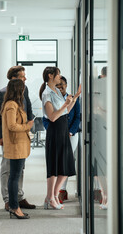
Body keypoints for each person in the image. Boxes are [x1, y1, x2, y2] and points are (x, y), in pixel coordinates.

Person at [0, 66, 36, 211]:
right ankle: (8, 199)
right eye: (23, 76)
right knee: (7, 168)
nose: (25, 78)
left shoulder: (25, 90)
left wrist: (30, 127)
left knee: (19, 168)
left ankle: (18, 196)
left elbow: (28, 108)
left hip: (22, 134)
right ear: (13, 78)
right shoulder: (3, 93)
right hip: (9, 136)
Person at [39, 66, 81, 210]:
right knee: (54, 167)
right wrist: (65, 104)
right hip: (55, 132)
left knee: (66, 167)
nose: (60, 77)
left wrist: (75, 97)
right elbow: (52, 116)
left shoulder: (56, 91)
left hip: (63, 131)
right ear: (50, 76)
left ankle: (53, 196)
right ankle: (51, 197)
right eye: (58, 74)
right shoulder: (47, 94)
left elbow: (66, 111)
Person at [0, 79, 34, 219]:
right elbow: (12, 126)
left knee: (15, 176)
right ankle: (14, 207)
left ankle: (15, 206)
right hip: (15, 146)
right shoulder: (11, 105)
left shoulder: (14, 104)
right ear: (18, 90)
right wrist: (28, 126)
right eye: (22, 89)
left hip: (19, 145)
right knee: (14, 177)